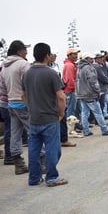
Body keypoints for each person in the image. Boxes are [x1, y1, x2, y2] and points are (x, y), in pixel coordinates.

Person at [21, 42, 68, 187]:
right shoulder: (51, 73)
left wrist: (31, 107)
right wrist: (61, 114)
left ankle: (34, 178)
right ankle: (52, 177)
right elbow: (61, 97)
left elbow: (23, 95)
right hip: (49, 117)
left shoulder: (27, 74)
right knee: (53, 149)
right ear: (47, 55)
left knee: (34, 150)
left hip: (34, 118)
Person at [0, 40, 31, 174]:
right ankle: (41, 163)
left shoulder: (4, 66)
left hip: (11, 103)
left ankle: (18, 164)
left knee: (15, 134)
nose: (27, 52)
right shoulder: (23, 64)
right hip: (24, 103)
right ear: (19, 51)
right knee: (34, 132)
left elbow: (2, 87)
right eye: (25, 49)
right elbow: (30, 85)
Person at [76, 52, 108, 136]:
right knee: (98, 112)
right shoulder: (89, 68)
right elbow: (93, 81)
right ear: (86, 59)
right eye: (90, 58)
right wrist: (97, 91)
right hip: (90, 93)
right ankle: (104, 129)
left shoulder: (79, 68)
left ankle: (86, 131)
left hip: (81, 94)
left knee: (84, 112)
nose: (92, 60)